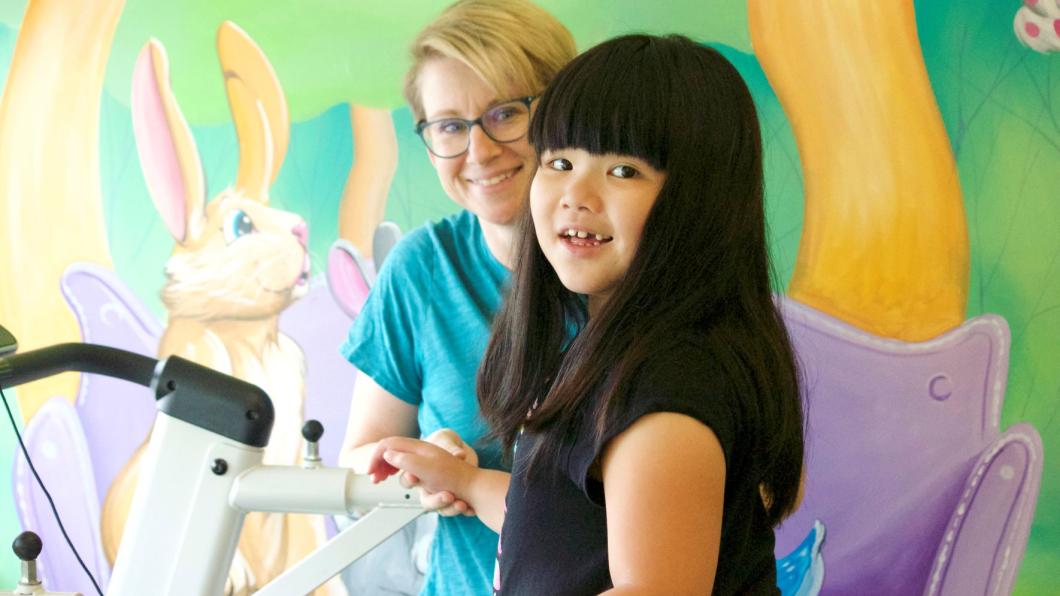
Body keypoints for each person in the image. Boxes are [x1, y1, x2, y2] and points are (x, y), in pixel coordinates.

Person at [366, 34, 806, 595]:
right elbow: (564, 530)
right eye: (560, 161)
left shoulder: (666, 388)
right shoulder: (606, 352)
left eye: (623, 171)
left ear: (699, 198)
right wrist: (470, 484)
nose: (576, 194)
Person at [337, 1, 576, 594]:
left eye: (505, 112)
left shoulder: (633, 271)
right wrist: (415, 462)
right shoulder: (422, 269)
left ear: (565, 112)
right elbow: (357, 464)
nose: (480, 150)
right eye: (449, 126)